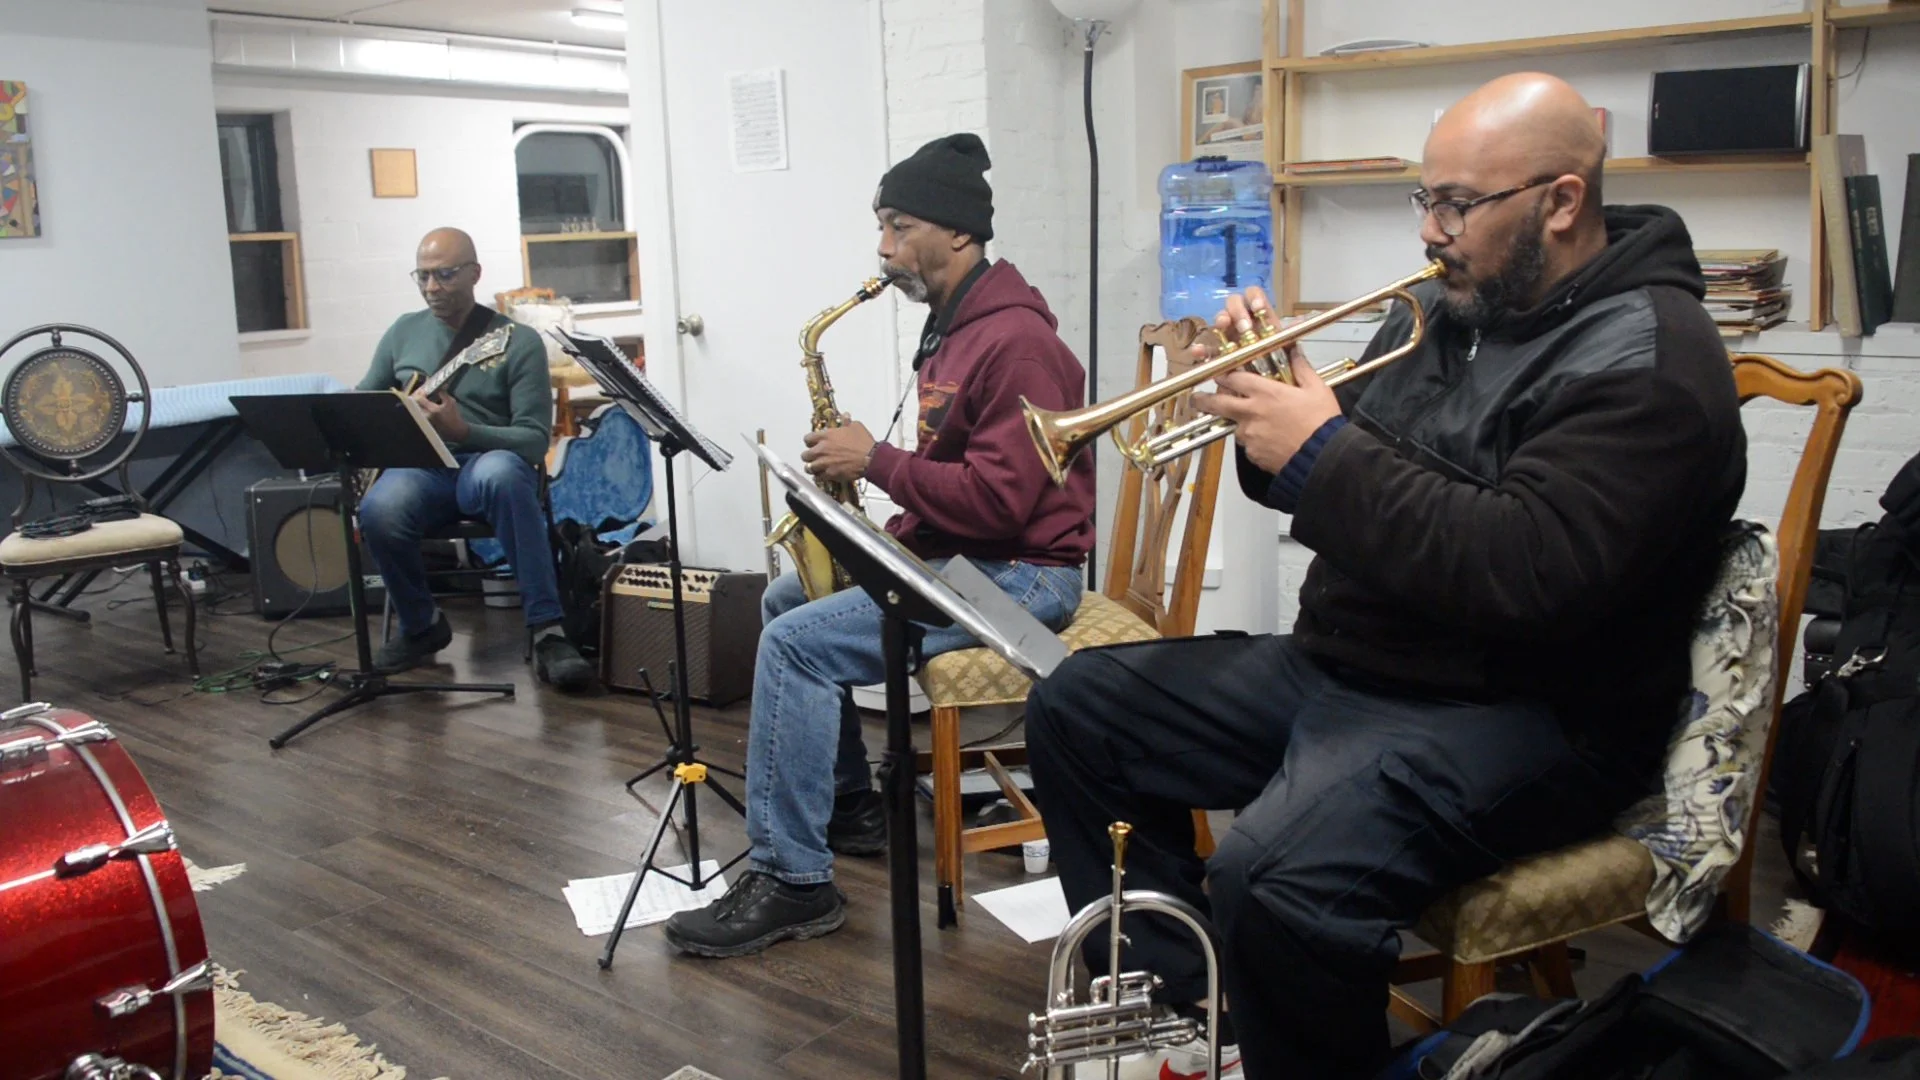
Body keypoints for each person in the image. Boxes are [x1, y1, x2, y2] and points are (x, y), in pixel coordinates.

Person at [1025, 73, 1749, 1080]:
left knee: (1274, 878)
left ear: (1562, 201)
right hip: (1351, 666)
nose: (1430, 232)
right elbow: (1335, 490)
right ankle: (1190, 1013)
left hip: (1526, 708)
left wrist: (1320, 449)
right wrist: (1268, 413)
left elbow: (1527, 570)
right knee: (1076, 709)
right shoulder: (1441, 307)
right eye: (1426, 200)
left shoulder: (1652, 361)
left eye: (1457, 203)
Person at [664, 133, 1097, 957]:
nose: (883, 248)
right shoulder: (955, 327)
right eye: (882, 227)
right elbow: (955, 473)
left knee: (794, 646)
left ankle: (794, 882)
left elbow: (1003, 503)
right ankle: (850, 804)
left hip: (1024, 578)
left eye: (899, 226)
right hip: (974, 559)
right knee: (790, 596)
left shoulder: (1018, 344)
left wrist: (878, 462)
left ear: (959, 233)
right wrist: (877, 528)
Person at [356, 227, 595, 692]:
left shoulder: (515, 341)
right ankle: (421, 625)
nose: (432, 288)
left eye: (445, 275)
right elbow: (367, 400)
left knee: (505, 476)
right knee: (379, 509)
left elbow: (530, 441)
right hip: (423, 468)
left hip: (488, 460)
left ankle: (548, 631)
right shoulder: (402, 332)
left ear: (474, 274)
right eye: (423, 276)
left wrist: (465, 431)